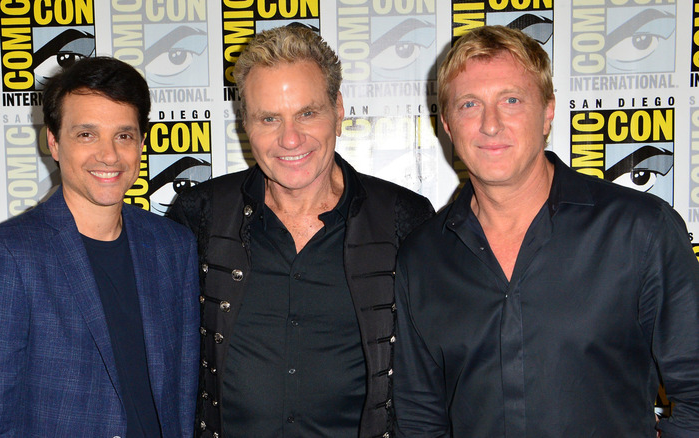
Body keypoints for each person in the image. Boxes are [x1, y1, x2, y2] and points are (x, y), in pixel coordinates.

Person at [393, 25, 699, 437]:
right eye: (469, 104)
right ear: (447, 123)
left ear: (548, 112)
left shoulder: (639, 230)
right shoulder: (422, 256)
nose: (490, 124)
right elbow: (419, 415)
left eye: (512, 100)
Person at [168, 24, 434, 438]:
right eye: (269, 118)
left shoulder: (405, 218)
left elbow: (433, 375)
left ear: (338, 110)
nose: (289, 138)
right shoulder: (198, 214)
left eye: (307, 113)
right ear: (246, 125)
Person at [0, 57, 200, 437]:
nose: (109, 154)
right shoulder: (4, 255)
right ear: (53, 141)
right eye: (86, 134)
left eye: (124, 135)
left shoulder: (173, 247)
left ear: (142, 143)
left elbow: (182, 397)